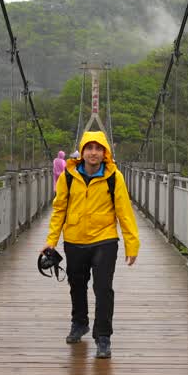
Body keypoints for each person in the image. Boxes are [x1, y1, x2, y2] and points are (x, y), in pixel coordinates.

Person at [43, 130, 139, 359]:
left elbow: (124, 211)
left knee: (103, 288)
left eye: (98, 148)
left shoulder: (114, 177)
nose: (93, 153)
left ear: (105, 152)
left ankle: (103, 336)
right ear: (82, 151)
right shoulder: (68, 175)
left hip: (104, 239)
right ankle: (79, 323)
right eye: (89, 148)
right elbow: (59, 210)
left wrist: (131, 243)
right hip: (74, 239)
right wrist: (51, 241)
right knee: (77, 285)